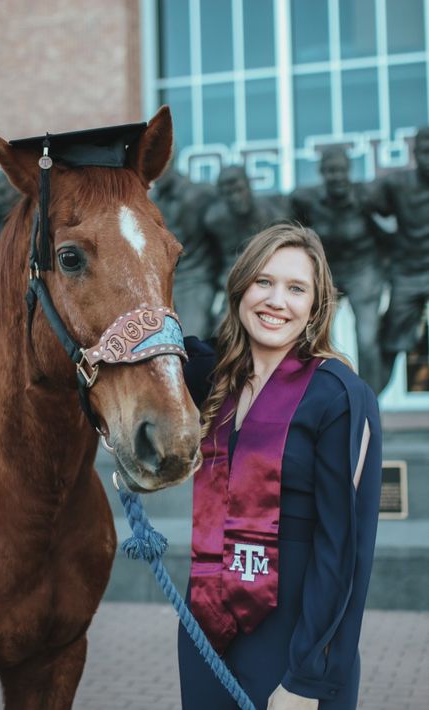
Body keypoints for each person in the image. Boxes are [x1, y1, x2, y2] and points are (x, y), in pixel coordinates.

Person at [178, 223, 382, 710]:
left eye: (296, 289)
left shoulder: (339, 396)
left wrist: (308, 678)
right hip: (206, 629)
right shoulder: (216, 381)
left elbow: (346, 554)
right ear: (241, 286)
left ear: (315, 305)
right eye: (263, 282)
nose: (276, 300)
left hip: (293, 638)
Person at [289, 147, 386, 394]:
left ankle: (370, 400)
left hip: (363, 271)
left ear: (349, 171)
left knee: (367, 339)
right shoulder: (307, 200)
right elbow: (292, 229)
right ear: (322, 173)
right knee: (314, 335)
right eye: (331, 171)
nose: (337, 176)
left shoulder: (365, 197)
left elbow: (388, 227)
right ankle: (320, 397)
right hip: (329, 273)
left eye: (341, 170)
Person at [368, 126, 429, 390]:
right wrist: (387, 241)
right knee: (390, 342)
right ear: (415, 153)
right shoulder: (397, 185)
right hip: (408, 273)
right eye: (426, 152)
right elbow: (364, 204)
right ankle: (363, 414)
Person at [204, 165, 286, 324]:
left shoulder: (274, 215)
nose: (235, 197)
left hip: (268, 280)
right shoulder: (214, 221)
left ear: (249, 186)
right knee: (221, 329)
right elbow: (213, 258)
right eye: (228, 193)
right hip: (232, 282)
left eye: (238, 190)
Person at [150, 161, 218, 338]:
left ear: (170, 163)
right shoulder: (152, 200)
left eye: (160, 170)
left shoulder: (198, 194)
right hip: (164, 282)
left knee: (189, 341)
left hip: (195, 281)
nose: (155, 177)